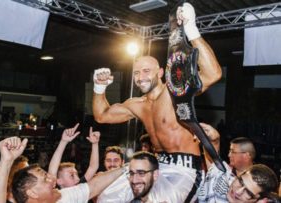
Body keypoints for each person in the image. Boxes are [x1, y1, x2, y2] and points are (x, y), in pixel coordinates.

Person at [93, 2, 222, 202]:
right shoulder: (136, 104)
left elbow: (213, 74)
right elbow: (102, 115)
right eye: (136, 73)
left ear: (160, 73)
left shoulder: (175, 92)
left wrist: (191, 31)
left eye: (146, 71)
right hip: (155, 165)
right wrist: (99, 88)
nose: (140, 77)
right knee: (105, 196)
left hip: (185, 168)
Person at [0, 136, 127, 203]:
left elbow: (94, 186)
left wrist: (129, 167)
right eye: (45, 178)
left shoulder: (63, 197)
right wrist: (6, 161)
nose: (52, 179)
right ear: (32, 192)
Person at [197, 123, 279, 203]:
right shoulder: (225, 176)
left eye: (248, 193)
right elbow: (213, 160)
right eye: (240, 181)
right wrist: (214, 140)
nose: (238, 192)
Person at [48, 123, 100, 188]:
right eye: (72, 175)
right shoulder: (57, 194)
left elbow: (93, 167)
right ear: (59, 181)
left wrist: (95, 144)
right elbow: (52, 172)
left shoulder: (79, 187)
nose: (78, 178)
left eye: (77, 174)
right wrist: (63, 142)